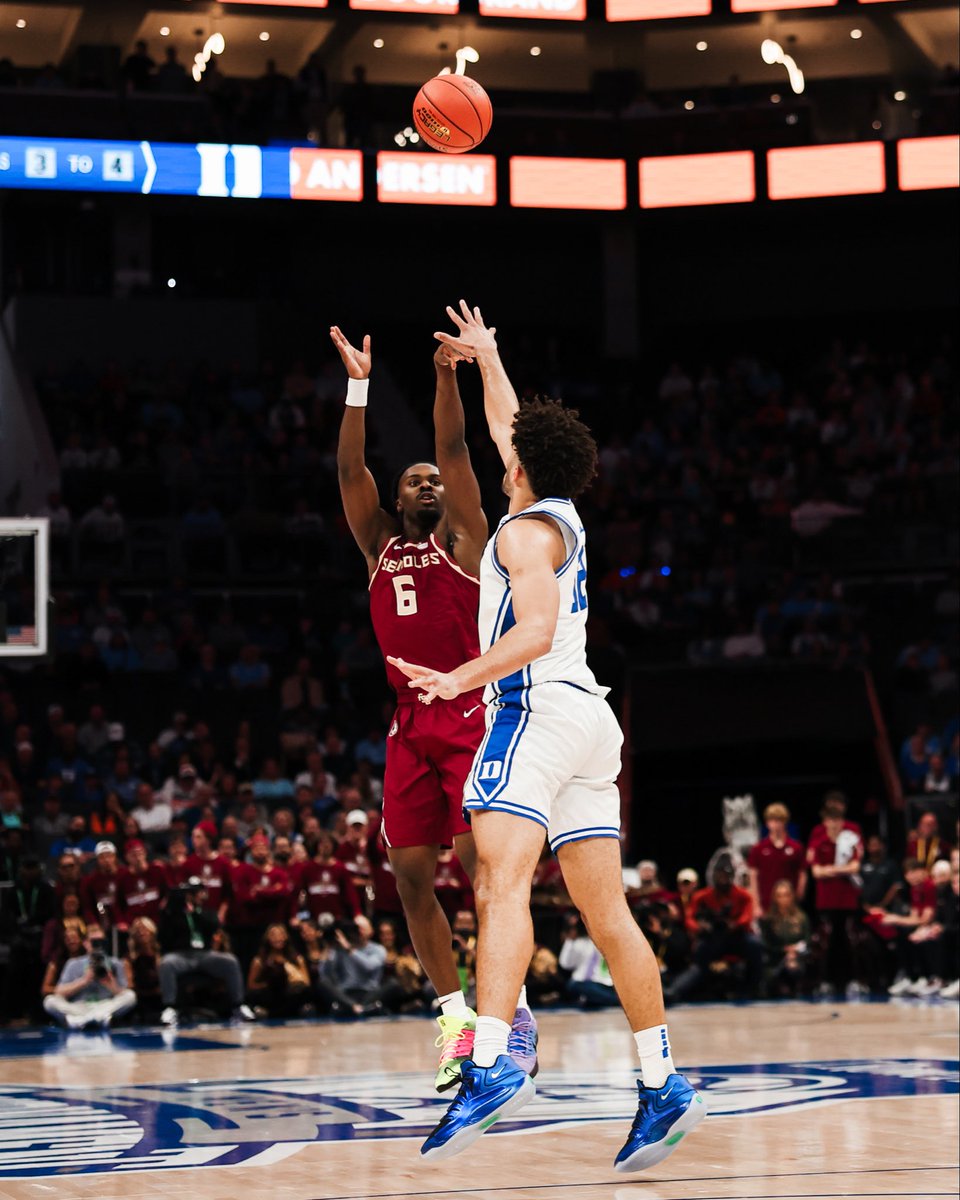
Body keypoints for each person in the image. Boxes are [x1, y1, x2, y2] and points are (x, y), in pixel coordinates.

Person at [389, 302, 703, 1169]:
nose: (501, 454)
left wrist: (459, 676)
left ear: (519, 470)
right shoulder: (559, 510)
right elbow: (509, 426)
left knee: (499, 880)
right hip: (590, 722)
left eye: (508, 454)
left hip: (534, 710)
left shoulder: (525, 532)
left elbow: (530, 632)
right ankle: (661, 1079)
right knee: (606, 912)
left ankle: (491, 1061)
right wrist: (490, 358)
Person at [331, 321, 537, 1090]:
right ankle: (455, 1019)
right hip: (409, 723)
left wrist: (446, 377)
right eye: (412, 479)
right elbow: (348, 464)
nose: (427, 482)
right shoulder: (377, 541)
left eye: (433, 478)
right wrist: (358, 385)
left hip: (472, 713)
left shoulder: (465, 536)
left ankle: (506, 1014)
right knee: (411, 877)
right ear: (393, 497)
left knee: (481, 872)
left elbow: (455, 452)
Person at [157, 878, 254, 1026]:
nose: (191, 896)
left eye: (194, 893)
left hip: (205, 954)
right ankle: (170, 1007)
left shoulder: (207, 912)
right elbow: (164, 935)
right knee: (167, 963)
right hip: (182, 955)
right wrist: (172, 909)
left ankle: (238, 1005)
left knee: (230, 961)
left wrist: (194, 912)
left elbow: (213, 925)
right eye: (189, 893)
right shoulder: (173, 915)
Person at [43, 925, 136, 1030]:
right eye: (94, 942)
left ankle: (80, 1020)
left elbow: (123, 993)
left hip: (105, 1005)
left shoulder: (116, 963)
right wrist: (83, 981)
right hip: (78, 1007)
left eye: (101, 941)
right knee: (50, 1001)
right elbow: (59, 991)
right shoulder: (73, 963)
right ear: (86, 943)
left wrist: (110, 983)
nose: (98, 946)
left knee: (130, 996)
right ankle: (97, 1019)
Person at [746, 803, 807, 917]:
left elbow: (802, 874)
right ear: (767, 823)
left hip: (790, 905)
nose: (776, 825)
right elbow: (753, 878)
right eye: (772, 820)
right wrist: (756, 904)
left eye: (779, 820)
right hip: (766, 905)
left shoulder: (796, 847)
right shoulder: (758, 848)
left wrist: (798, 897)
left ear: (785, 822)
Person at [247, 924, 311, 1018]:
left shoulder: (297, 959)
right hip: (270, 995)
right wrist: (267, 984)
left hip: (291, 994)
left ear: (286, 937)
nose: (277, 938)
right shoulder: (259, 961)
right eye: (273, 935)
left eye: (280, 934)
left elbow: (307, 982)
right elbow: (251, 986)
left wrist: (293, 979)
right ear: (267, 938)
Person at [761, 880, 811, 997]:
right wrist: (784, 950)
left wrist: (795, 951)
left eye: (786, 895)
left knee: (793, 966)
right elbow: (766, 943)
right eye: (779, 896)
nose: (783, 899)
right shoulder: (768, 919)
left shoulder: (801, 917)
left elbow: (807, 940)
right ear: (774, 898)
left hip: (797, 958)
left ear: (792, 896)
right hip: (775, 959)